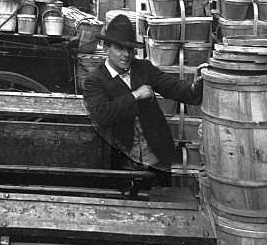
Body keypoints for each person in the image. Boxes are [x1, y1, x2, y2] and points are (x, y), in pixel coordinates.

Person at [83, 14, 204, 175]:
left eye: (130, 49)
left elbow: (171, 86)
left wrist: (196, 86)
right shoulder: (95, 80)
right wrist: (136, 95)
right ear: (106, 49)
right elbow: (101, 115)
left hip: (157, 156)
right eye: (120, 48)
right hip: (122, 160)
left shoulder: (143, 68)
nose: (126, 55)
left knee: (161, 188)